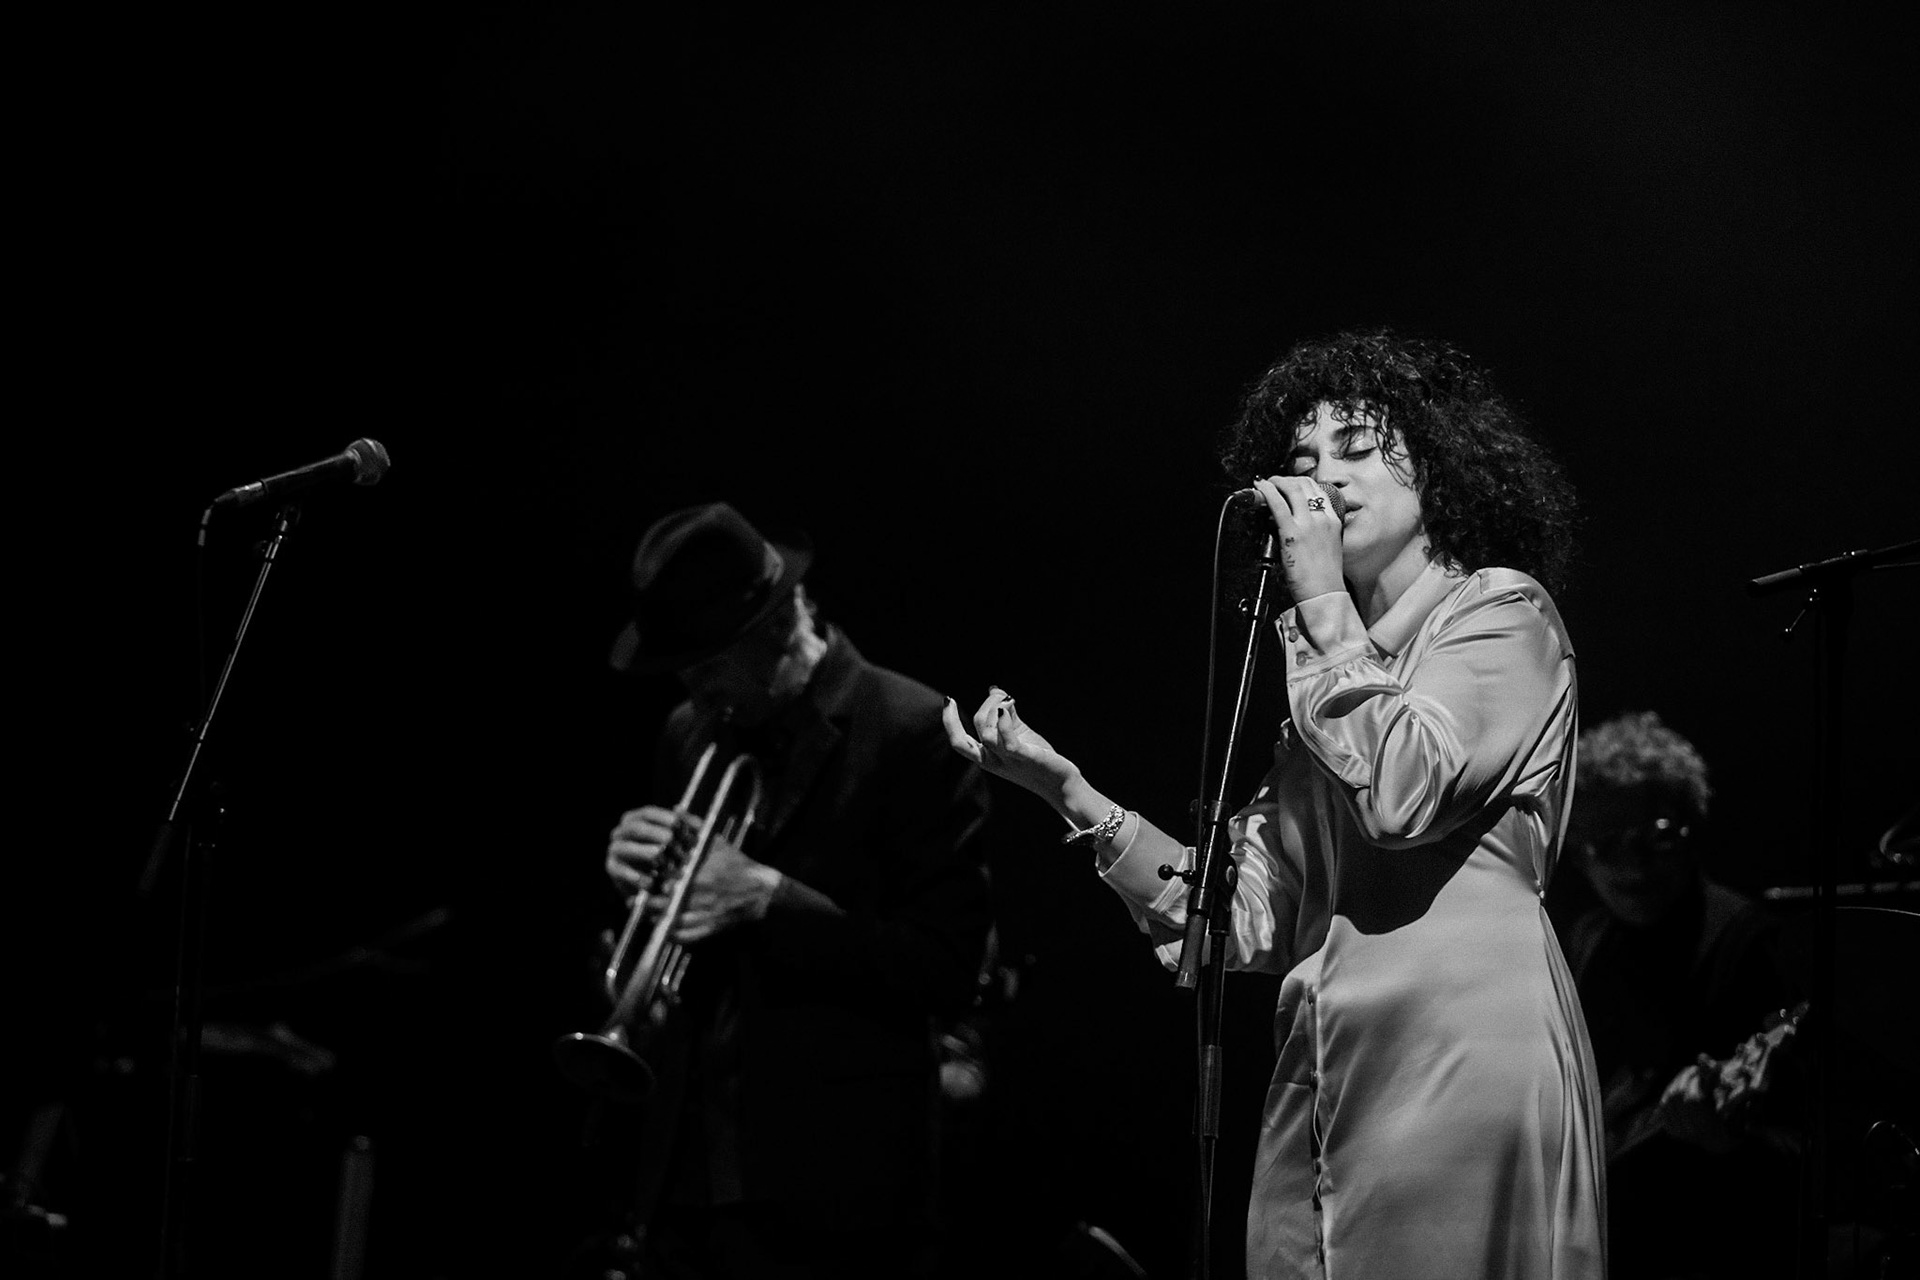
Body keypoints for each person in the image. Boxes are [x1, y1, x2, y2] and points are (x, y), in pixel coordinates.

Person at [944, 327, 1605, 1278]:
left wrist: (1324, 604)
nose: (1322, 476)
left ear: (1438, 471)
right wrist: (1067, 789)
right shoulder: (1325, 688)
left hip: (1463, 1051)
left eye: (1358, 447)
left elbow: (1404, 795)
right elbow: (1236, 919)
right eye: (1301, 460)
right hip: (1327, 1065)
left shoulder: (1501, 613)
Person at [597, 502, 994, 1279]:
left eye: (707, 665)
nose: (693, 691)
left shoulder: (913, 728)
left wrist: (771, 900)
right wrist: (640, 896)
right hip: (686, 1179)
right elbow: (681, 961)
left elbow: (948, 969)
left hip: (838, 1194)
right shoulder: (690, 733)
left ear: (782, 623)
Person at [1562, 710, 1805, 1279]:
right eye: (1606, 845)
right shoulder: (1584, 942)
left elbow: (1810, 1150)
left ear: (1694, 829)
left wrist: (1729, 1143)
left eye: (1658, 837)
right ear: (1575, 852)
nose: (1634, 866)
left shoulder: (1752, 941)